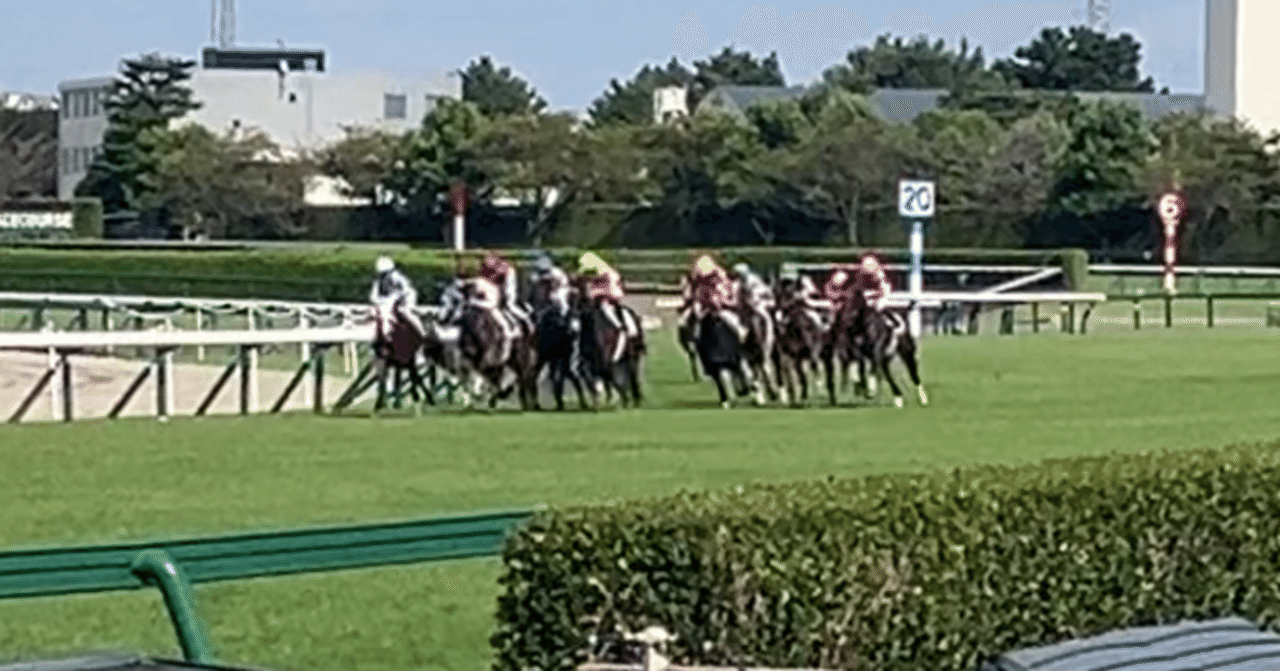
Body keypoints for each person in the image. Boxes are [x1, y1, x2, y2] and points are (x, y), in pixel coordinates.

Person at [578, 251, 639, 339]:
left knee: (605, 308)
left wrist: (593, 292)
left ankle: (619, 326)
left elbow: (609, 290)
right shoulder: (602, 273)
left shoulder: (607, 273)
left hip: (608, 297)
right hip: (600, 298)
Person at [689, 254, 746, 341]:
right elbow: (698, 302)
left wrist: (724, 302)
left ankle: (740, 330)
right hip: (710, 310)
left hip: (727, 308)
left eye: (711, 276)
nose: (709, 279)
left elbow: (733, 300)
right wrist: (701, 311)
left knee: (725, 314)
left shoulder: (723, 283)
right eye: (706, 278)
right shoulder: (702, 288)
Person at [369, 256, 426, 339]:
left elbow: (407, 290)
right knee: (382, 315)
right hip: (388, 302)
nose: (385, 275)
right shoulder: (379, 280)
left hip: (405, 299)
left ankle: (422, 332)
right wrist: (381, 301)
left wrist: (400, 299)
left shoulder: (397, 277)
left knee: (407, 313)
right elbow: (373, 297)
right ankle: (385, 335)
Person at [479, 252, 532, 333]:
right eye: (485, 260)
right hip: (503, 285)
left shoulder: (503, 266)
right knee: (501, 307)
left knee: (510, 305)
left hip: (509, 285)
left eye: (488, 260)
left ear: (494, 259)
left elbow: (495, 277)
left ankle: (526, 320)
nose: (486, 262)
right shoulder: (491, 267)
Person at [530, 253, 571, 317]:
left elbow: (561, 283)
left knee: (560, 296)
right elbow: (533, 279)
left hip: (561, 287)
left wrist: (554, 289)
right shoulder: (539, 273)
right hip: (550, 288)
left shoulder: (556, 272)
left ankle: (564, 311)